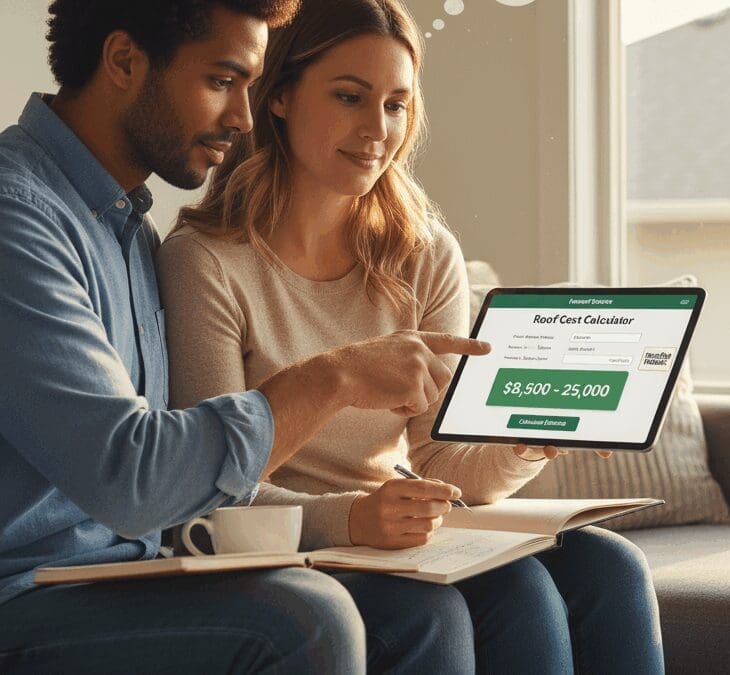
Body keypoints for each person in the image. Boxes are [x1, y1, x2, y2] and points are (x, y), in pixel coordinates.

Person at [157, 0, 665, 672]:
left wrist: (524, 445)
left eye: (396, 104)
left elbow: (441, 464)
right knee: (512, 592)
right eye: (349, 97)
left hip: (393, 526)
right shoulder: (206, 262)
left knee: (610, 567)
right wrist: (354, 518)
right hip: (290, 544)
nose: (377, 129)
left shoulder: (422, 255)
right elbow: (212, 487)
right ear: (278, 97)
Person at [0, 1, 491, 672]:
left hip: (128, 575)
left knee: (551, 575)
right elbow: (131, 476)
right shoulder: (18, 219)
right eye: (223, 81)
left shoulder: (123, 227)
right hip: (26, 595)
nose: (244, 116)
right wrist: (332, 377)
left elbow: (171, 483)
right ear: (123, 61)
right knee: (308, 618)